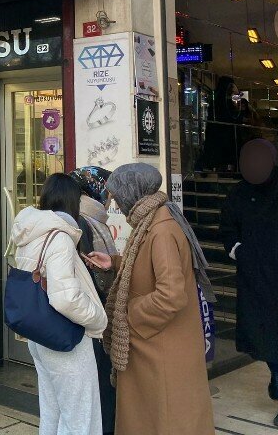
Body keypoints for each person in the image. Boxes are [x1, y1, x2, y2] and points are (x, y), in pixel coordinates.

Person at [84, 163, 214, 435]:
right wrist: (115, 262)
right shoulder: (153, 219)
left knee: (164, 422)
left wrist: (128, 313)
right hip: (158, 345)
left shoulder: (160, 230)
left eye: (117, 196)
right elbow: (148, 267)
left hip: (160, 348)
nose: (115, 203)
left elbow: (170, 296)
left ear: (132, 192)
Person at [11, 173, 107, 435]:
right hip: (65, 335)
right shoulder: (60, 237)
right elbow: (65, 297)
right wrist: (98, 319)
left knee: (52, 411)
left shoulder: (31, 232)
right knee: (79, 418)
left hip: (38, 334)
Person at [219, 139, 278, 428]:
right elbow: (227, 231)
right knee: (266, 343)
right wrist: (239, 251)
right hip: (255, 284)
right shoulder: (237, 195)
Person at [69, 166, 118, 435]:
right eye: (108, 190)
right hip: (95, 316)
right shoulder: (83, 221)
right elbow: (88, 271)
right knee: (100, 381)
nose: (111, 197)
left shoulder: (91, 218)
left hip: (100, 313)